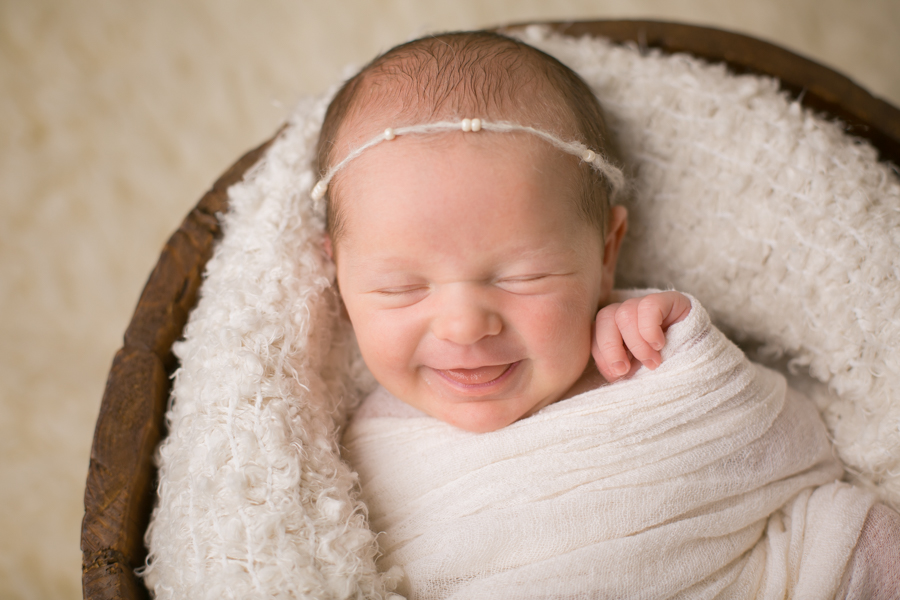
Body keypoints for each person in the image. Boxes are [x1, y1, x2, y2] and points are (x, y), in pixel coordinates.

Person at [314, 30, 899, 599]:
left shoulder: (647, 356)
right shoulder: (346, 452)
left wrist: (689, 360)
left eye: (522, 277)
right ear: (338, 274)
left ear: (606, 252)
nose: (464, 326)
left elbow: (797, 450)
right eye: (400, 287)